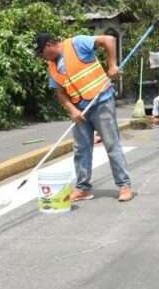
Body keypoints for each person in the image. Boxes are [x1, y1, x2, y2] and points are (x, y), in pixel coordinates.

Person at [34, 32, 133, 203]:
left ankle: (124, 185)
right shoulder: (52, 66)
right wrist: (72, 110)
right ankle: (83, 188)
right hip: (80, 110)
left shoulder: (76, 44)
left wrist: (112, 65)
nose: (43, 58)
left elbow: (109, 40)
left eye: (42, 53)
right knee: (81, 149)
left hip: (101, 101)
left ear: (49, 45)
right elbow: (60, 92)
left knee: (111, 144)